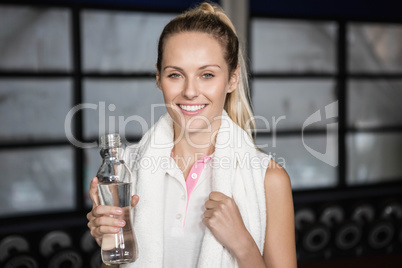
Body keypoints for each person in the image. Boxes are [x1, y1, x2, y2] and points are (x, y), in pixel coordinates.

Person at [87, 2, 297, 268]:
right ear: (159, 78)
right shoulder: (126, 171)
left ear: (232, 79)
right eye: (175, 74)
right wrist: (112, 243)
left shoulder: (269, 179)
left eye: (207, 74)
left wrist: (243, 245)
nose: (189, 91)